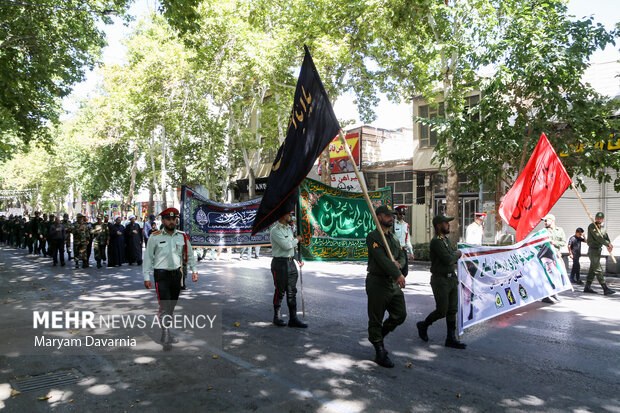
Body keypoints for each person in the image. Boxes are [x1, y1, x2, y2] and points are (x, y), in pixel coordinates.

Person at [143, 208, 198, 350]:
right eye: (168, 219)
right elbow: (148, 258)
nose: (171, 221)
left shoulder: (182, 236)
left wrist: (194, 270)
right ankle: (166, 334)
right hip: (161, 276)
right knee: (165, 305)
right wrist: (146, 277)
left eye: (174, 219)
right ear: (163, 221)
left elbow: (190, 255)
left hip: (176, 276)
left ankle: (165, 331)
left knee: (171, 306)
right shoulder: (154, 237)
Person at [416, 215, 467, 350]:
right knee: (442, 310)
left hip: (450, 279)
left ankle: (451, 338)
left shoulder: (446, 240)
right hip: (440, 280)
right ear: (439, 226)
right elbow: (448, 259)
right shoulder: (436, 241)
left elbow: (451, 258)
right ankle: (424, 325)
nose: (448, 225)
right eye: (446, 223)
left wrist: (454, 275)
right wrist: (458, 253)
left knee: (452, 310)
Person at [366, 205, 406, 368]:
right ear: (379, 217)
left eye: (392, 215)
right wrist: (397, 273)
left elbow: (402, 257)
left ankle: (377, 337)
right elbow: (382, 260)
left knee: (400, 315)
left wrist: (398, 266)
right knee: (376, 318)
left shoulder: (394, 238)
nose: (392, 218)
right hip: (378, 282)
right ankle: (380, 352)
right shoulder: (373, 237)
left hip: (392, 283)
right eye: (388, 215)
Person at [269, 211, 308, 329]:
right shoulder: (275, 230)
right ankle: (277, 317)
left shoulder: (288, 229)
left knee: (292, 291)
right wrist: (297, 239)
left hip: (291, 263)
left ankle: (293, 319)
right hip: (280, 264)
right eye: (288, 214)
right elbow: (286, 245)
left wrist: (297, 259)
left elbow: (292, 249)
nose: (290, 217)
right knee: (280, 291)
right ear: (281, 216)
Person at [584, 212, 615, 295]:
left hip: (598, 250)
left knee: (593, 269)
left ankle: (587, 286)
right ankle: (605, 288)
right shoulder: (592, 226)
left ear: (603, 219)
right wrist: (606, 244)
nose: (598, 219)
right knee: (598, 268)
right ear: (595, 218)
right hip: (593, 250)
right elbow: (598, 237)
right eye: (597, 218)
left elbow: (606, 238)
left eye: (600, 218)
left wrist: (609, 245)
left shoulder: (603, 228)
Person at [540, 214, 566, 304]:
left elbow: (563, 242)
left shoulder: (560, 230)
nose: (545, 222)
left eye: (546, 220)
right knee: (549, 275)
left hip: (557, 256)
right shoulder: (543, 231)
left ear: (552, 220)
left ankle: (554, 292)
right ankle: (547, 295)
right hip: (548, 256)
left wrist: (555, 244)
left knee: (560, 274)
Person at [393, 205, 414, 276]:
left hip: (403, 250)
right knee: (396, 270)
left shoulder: (406, 225)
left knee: (405, 272)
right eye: (400, 214)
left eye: (403, 214)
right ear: (396, 214)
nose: (402, 215)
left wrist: (411, 252)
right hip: (395, 251)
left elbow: (407, 240)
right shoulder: (393, 224)